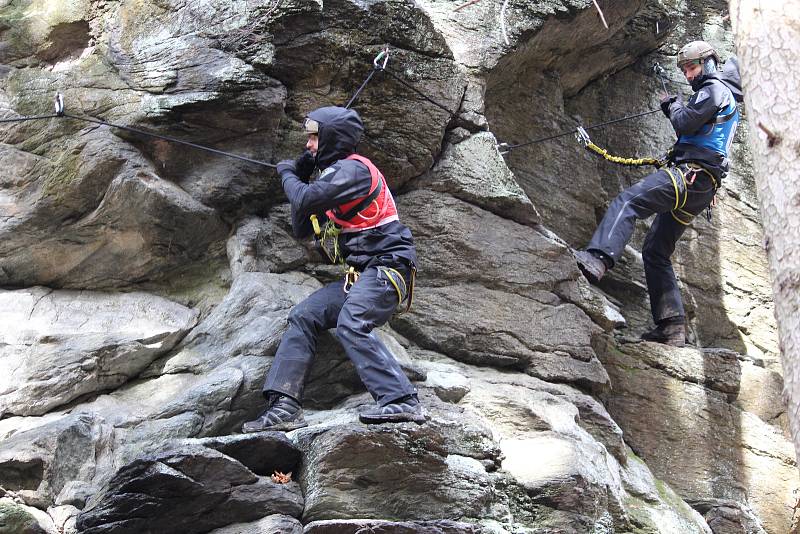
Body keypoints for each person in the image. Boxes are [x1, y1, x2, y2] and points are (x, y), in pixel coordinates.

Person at [242, 106, 425, 432]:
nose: (309, 145)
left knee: (351, 322)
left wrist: (288, 175)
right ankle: (285, 406)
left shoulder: (354, 171)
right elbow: (302, 225)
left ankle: (402, 401)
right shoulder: (335, 180)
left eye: (314, 137)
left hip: (387, 270)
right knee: (304, 315)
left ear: (331, 137)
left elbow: (307, 199)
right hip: (362, 276)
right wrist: (298, 176)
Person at [574, 41, 743, 346]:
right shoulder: (729, 99)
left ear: (708, 63)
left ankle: (596, 260)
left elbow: (683, 123)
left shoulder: (715, 90)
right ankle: (673, 326)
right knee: (655, 250)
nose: (689, 75)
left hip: (688, 177)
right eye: (685, 70)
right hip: (701, 188)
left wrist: (672, 105)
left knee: (629, 201)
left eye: (692, 68)